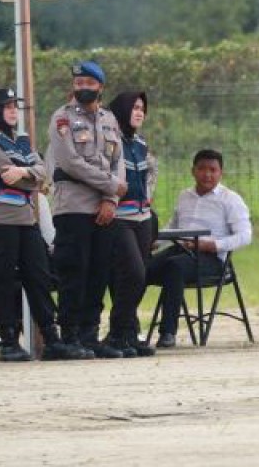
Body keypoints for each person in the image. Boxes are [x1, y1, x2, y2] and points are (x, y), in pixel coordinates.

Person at [0, 88, 90, 362]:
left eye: (15, 106)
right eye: (7, 106)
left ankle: (51, 339)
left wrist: (24, 171)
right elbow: (12, 178)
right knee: (2, 279)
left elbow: (42, 172)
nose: (13, 111)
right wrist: (30, 175)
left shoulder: (21, 139)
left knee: (39, 276)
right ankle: (8, 341)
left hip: (24, 218)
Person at [45, 61, 127, 359]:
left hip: (104, 208)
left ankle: (89, 335)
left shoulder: (109, 119)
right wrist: (111, 186)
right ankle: (69, 336)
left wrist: (111, 200)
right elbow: (70, 163)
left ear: (100, 87)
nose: (83, 88)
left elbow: (118, 161)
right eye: (78, 83)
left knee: (99, 272)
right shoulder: (62, 118)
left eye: (89, 84)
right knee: (74, 272)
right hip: (74, 205)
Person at [147, 148, 253, 348]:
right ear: (193, 171)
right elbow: (174, 226)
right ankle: (126, 330)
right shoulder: (184, 196)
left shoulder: (230, 199)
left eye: (213, 170)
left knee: (174, 267)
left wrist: (212, 245)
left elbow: (245, 236)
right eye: (202, 169)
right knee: (139, 267)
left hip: (211, 258)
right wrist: (156, 242)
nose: (207, 174)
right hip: (180, 250)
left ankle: (167, 333)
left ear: (221, 173)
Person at [102, 91, 157, 357]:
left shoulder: (141, 144)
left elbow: (151, 173)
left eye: (142, 109)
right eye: (134, 107)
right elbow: (104, 174)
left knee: (139, 277)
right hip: (119, 218)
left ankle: (128, 333)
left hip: (142, 217)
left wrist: (148, 197)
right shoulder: (110, 141)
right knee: (133, 273)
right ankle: (116, 333)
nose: (139, 113)